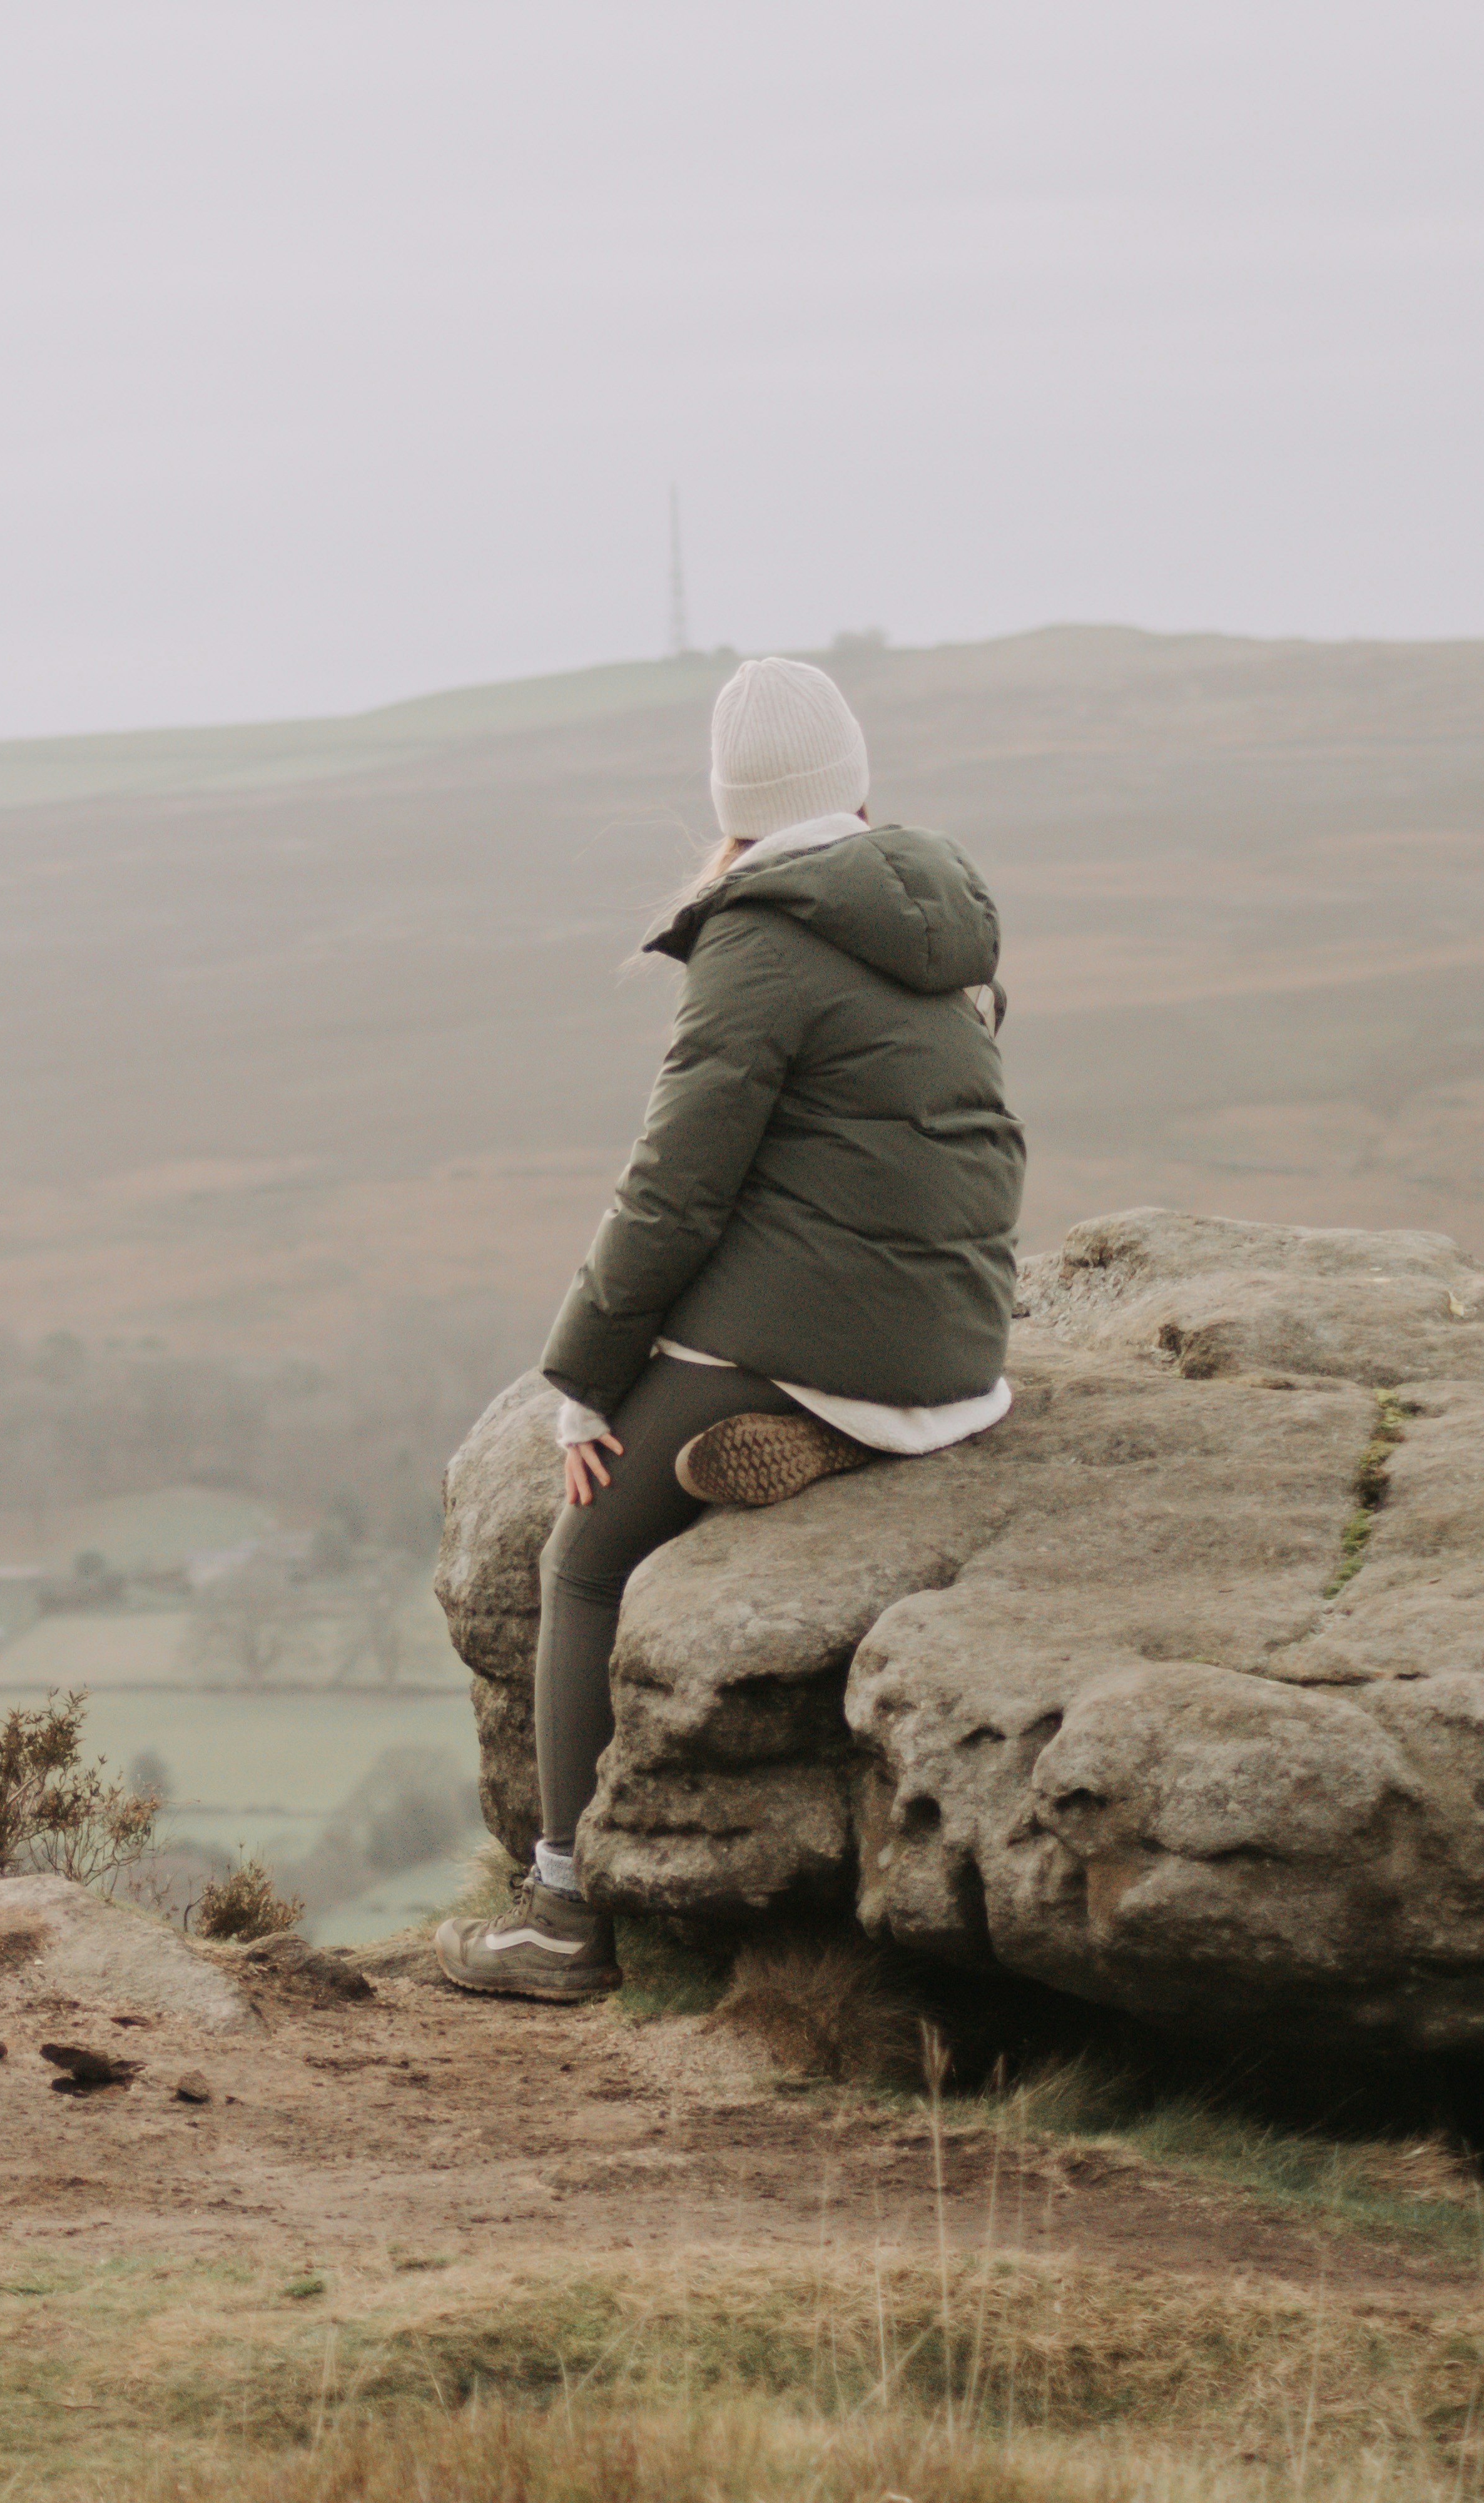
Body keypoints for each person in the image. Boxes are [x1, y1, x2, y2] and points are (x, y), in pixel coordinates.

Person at [434, 656, 1024, 2003]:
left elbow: (677, 1186)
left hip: (830, 1327)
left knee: (582, 1556)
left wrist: (583, 1377)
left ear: (734, 802)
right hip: (957, 1347)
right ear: (855, 781)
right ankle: (818, 1430)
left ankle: (562, 1919)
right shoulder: (933, 907)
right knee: (741, 1360)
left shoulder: (762, 933)